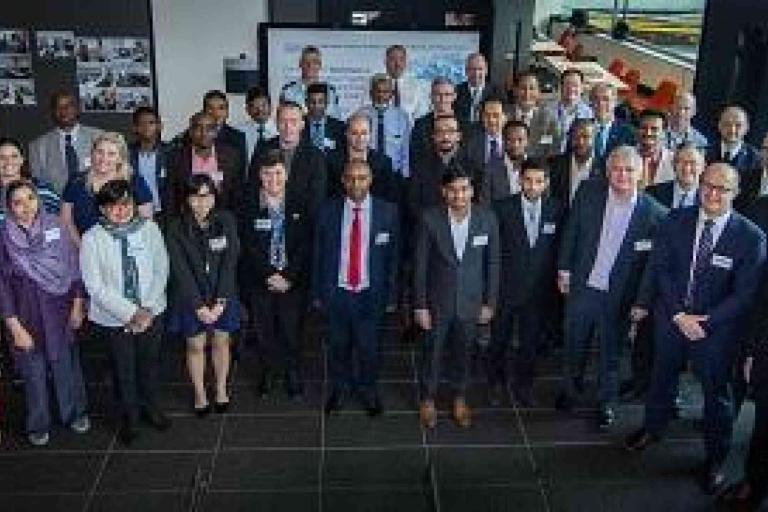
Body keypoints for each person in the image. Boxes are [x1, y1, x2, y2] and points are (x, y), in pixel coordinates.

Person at [625, 163, 766, 495]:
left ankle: (715, 459)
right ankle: (652, 427)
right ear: (699, 185)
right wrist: (678, 315)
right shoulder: (675, 220)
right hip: (672, 321)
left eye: (722, 189)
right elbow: (662, 270)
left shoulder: (751, 237)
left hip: (716, 332)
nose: (713, 194)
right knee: (660, 377)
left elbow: (745, 296)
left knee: (717, 396)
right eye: (707, 186)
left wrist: (706, 322)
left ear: (736, 193)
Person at [556, 145, 667, 430]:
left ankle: (607, 402)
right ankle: (570, 390)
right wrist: (564, 268)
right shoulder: (588, 193)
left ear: (640, 173)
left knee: (611, 353)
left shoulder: (656, 215)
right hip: (583, 287)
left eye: (629, 170)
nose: (622, 175)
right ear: (607, 172)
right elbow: (571, 231)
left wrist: (642, 302)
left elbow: (652, 267)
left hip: (620, 297)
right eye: (616, 169)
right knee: (574, 345)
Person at [80, 179, 171, 445]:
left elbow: (161, 268)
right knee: (123, 370)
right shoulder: (92, 237)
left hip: (152, 311)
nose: (120, 210)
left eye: (126, 204)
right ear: (102, 209)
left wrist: (147, 309)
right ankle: (129, 418)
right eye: (112, 206)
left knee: (149, 364)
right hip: (112, 318)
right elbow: (94, 286)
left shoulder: (150, 229)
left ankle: (151, 408)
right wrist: (130, 312)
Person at [0, 180, 88, 446]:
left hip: (59, 308)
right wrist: (15, 328)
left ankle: (74, 413)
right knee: (33, 372)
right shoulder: (3, 238)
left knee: (66, 366)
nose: (26, 206)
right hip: (24, 313)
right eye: (17, 202)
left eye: (30, 198)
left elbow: (73, 268)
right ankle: (38, 423)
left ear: (38, 199)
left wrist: (77, 305)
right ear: (8, 207)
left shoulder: (56, 226)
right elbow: (1, 287)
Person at [414, 163, 499, 429]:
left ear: (472, 190)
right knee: (432, 352)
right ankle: (428, 398)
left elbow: (493, 263)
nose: (459, 196)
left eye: (464, 189)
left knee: (464, 352)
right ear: (443, 191)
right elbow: (420, 266)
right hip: (437, 302)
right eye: (453, 190)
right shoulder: (430, 219)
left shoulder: (487, 219)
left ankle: (460, 397)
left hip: (472, 303)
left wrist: (490, 302)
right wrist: (420, 306)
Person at [313, 160, 399, 416]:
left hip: (371, 294)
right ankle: (340, 389)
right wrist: (317, 292)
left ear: (370, 180)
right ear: (342, 181)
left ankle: (368, 389)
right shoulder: (327, 211)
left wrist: (392, 295)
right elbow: (317, 254)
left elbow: (393, 258)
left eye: (362, 178)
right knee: (338, 346)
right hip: (337, 292)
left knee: (369, 347)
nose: (356, 183)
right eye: (350, 178)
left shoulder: (388, 212)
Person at [487, 159, 563, 406]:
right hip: (506, 288)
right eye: (528, 180)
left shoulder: (556, 210)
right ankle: (495, 382)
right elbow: (493, 252)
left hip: (538, 291)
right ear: (519, 179)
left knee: (530, 342)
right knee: (499, 338)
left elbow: (558, 250)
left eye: (539, 181)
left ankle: (524, 384)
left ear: (546, 183)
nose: (532, 186)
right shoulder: (502, 209)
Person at [166, 174, 240, 416]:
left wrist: (220, 302)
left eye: (206, 195)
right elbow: (180, 270)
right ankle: (200, 393)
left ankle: (220, 389)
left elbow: (230, 262)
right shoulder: (176, 227)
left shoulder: (226, 220)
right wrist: (199, 306)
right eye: (195, 197)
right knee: (196, 345)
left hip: (223, 293)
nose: (201, 202)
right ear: (186, 199)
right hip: (191, 296)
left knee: (221, 341)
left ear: (214, 196)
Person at [242, 150, 310, 400]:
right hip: (261, 280)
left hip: (293, 280)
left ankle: (292, 371)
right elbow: (248, 244)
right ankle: (268, 372)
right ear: (260, 175)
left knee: (291, 330)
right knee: (264, 330)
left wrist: (289, 276)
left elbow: (305, 244)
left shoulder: (300, 201)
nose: (273, 180)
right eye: (268, 174)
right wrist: (269, 275)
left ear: (287, 174)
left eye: (278, 173)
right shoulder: (248, 203)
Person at [61, 132, 154, 242]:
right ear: (92, 154)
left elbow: (146, 221)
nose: (104, 158)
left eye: (111, 154)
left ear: (120, 158)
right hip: (82, 248)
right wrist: (82, 248)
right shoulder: (76, 181)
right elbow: (66, 220)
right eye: (100, 152)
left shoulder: (135, 182)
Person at [248, 101, 327, 220]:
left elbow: (317, 199)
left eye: (293, 121)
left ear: (302, 124)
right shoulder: (262, 149)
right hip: (266, 219)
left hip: (302, 224)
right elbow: (252, 187)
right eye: (283, 121)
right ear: (276, 123)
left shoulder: (316, 157)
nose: (288, 127)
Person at [167, 111, 243, 217]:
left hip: (223, 219)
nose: (204, 133)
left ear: (216, 132)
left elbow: (238, 194)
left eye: (209, 128)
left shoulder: (232, 156)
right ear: (191, 132)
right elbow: (171, 197)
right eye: (198, 128)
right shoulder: (176, 158)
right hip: (188, 221)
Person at [28, 90, 103, 194]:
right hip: (55, 206)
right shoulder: (37, 147)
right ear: (52, 112)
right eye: (58, 107)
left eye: (69, 105)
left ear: (77, 109)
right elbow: (39, 185)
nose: (64, 110)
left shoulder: (99, 138)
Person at [325, 113, 398, 203]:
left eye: (364, 133)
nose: (360, 138)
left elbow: (389, 199)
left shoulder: (383, 162)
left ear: (370, 134)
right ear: (346, 134)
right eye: (355, 133)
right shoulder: (331, 161)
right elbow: (328, 196)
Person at [705, 105, 761, 211]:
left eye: (738, 125)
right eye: (727, 124)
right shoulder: (704, 153)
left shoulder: (756, 160)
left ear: (747, 128)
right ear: (719, 125)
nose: (732, 129)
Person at [357, 74, 411, 179]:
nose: (381, 95)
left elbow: (406, 150)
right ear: (371, 93)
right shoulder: (360, 115)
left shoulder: (402, 117)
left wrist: (405, 176)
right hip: (366, 173)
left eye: (385, 92)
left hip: (393, 174)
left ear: (391, 94)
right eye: (378, 91)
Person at [0, 137, 60, 222]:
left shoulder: (43, 188)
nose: (9, 161)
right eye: (2, 157)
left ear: (22, 159)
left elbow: (60, 219)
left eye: (14, 156)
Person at [128, 107, 170, 218]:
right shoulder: (126, 153)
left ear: (159, 126)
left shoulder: (170, 152)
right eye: (141, 123)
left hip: (165, 213)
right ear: (134, 128)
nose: (146, 127)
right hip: (135, 212)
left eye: (151, 123)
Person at [548, 118, 601, 207]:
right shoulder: (556, 164)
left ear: (594, 138)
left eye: (585, 136)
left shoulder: (604, 167)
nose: (580, 142)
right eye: (575, 137)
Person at [411, 77, 464, 165]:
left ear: (454, 96)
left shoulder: (464, 123)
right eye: (437, 95)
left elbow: (469, 156)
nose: (442, 99)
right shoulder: (420, 125)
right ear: (431, 96)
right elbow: (416, 158)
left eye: (447, 94)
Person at [280, 45, 339, 118]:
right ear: (300, 64)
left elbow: (335, 119)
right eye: (306, 62)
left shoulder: (330, 92)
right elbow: (283, 118)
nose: (310, 65)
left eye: (315, 62)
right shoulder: (288, 92)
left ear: (320, 65)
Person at [480, 120, 529, 203]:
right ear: (503, 141)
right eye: (510, 140)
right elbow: (485, 203)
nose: (515, 145)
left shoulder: (537, 167)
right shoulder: (490, 168)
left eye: (520, 140)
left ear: (527, 141)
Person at [546, 69, 593, 154]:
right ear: (561, 87)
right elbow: (541, 138)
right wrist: (554, 138)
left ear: (582, 88)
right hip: (551, 156)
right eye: (567, 84)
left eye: (575, 85)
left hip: (577, 157)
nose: (571, 88)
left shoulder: (589, 114)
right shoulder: (547, 110)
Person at [645, 143, 704, 210]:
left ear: (702, 167)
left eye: (693, 162)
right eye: (682, 162)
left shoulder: (709, 198)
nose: (687, 168)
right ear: (673, 165)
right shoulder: (652, 195)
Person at [589, 84, 635, 164]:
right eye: (596, 99)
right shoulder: (581, 127)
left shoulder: (628, 132)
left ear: (615, 102)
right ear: (590, 103)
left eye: (606, 99)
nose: (600, 104)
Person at [454, 53, 503, 125]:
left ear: (486, 71)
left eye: (480, 69)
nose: (476, 73)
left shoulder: (497, 91)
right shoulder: (456, 90)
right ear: (466, 71)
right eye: (472, 69)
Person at [384, 44, 428, 122]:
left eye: (401, 59)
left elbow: (422, 115)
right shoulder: (375, 85)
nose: (397, 64)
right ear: (385, 62)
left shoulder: (416, 86)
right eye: (392, 59)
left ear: (405, 62)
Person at [238, 85, 277, 167]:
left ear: (271, 106)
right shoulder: (239, 132)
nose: (260, 110)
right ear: (247, 109)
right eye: (254, 107)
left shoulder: (279, 130)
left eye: (263, 105)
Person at [302, 82, 345, 153]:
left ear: (326, 103)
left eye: (320, 102)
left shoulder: (340, 127)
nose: (316, 106)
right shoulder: (298, 125)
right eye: (312, 102)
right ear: (306, 103)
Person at [636, 109, 675, 187]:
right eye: (644, 128)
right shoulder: (625, 157)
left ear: (664, 133)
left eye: (654, 129)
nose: (648, 133)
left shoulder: (674, 160)